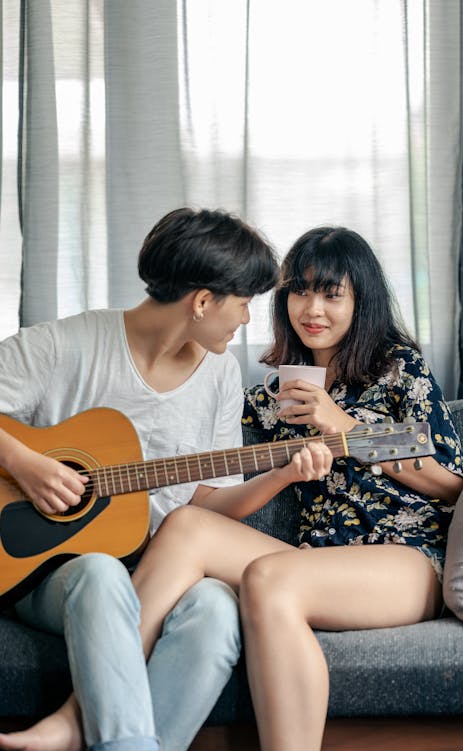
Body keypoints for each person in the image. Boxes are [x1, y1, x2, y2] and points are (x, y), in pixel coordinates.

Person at [116, 225, 463, 751]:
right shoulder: (277, 390)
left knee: (268, 578)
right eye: (300, 291)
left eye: (332, 294)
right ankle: (98, 708)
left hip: (405, 556)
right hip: (314, 557)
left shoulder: (399, 368)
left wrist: (344, 425)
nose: (313, 308)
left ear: (360, 300)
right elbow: (198, 426)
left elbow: (453, 485)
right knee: (187, 524)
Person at [0, 207, 333, 751]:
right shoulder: (67, 346)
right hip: (47, 566)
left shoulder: (221, 374)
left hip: (161, 568)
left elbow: (204, 505)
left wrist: (280, 475)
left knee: (217, 609)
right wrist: (24, 462)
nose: (248, 319)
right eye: (244, 303)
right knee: (102, 574)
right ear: (202, 301)